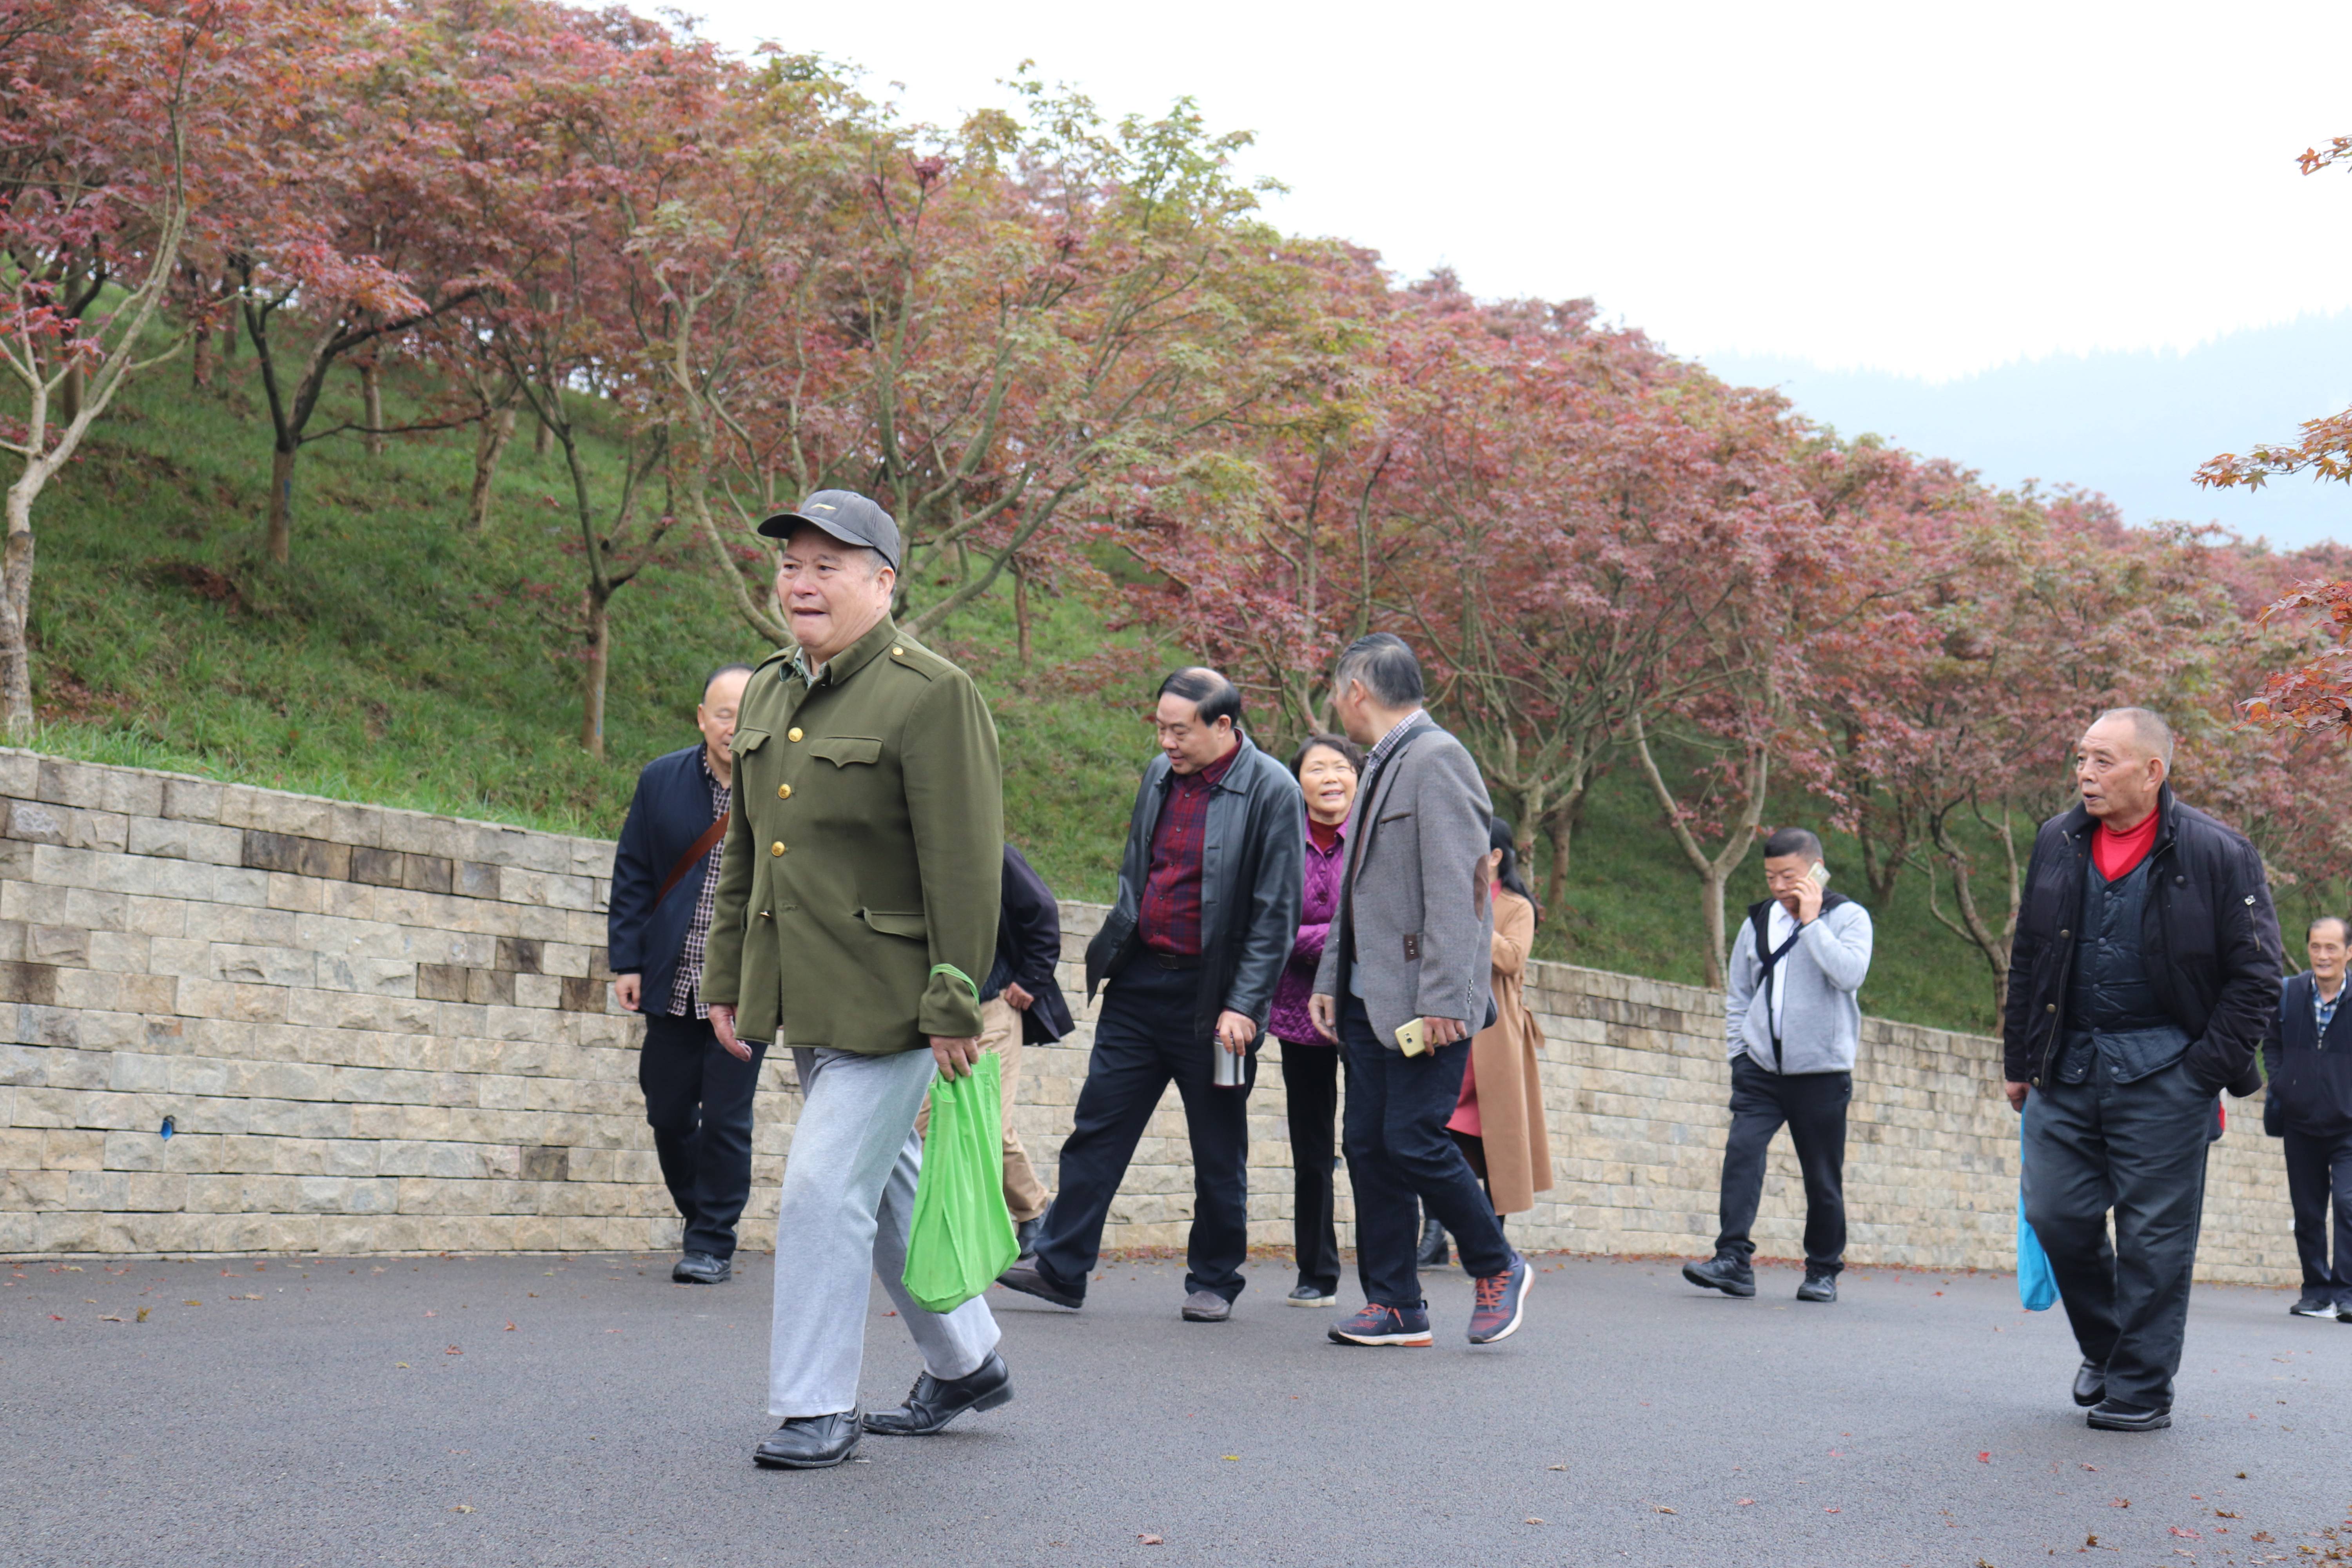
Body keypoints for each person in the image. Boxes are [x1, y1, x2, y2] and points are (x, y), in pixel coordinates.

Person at [699, 490, 1011, 1470]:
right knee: (885, 1191)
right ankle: (969, 1360)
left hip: (896, 1000)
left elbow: (964, 860)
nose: (801, 580)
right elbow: (746, 849)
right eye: (792, 563)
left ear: (883, 581)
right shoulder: (767, 692)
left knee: (824, 1184)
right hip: (805, 993)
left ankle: (815, 1402)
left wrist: (955, 997)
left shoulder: (931, 692)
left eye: (828, 564)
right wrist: (724, 976)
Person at [996, 668, 1303, 1323]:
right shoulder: (1159, 775)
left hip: (1214, 1000)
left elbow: (1276, 911)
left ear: (1223, 725)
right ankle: (1060, 1265)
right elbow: (1142, 868)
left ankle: (1215, 1280)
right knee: (1096, 1130)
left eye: (1179, 729)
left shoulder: (1273, 790)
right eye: (1160, 727)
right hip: (1140, 982)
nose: (1166, 741)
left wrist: (1245, 1005)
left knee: (1217, 1148)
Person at [2004, 707, 2280, 1433]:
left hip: (2167, 1072)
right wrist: (2020, 1059)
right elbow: (2030, 954)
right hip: (2067, 1064)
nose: (2084, 774)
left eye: (2103, 761)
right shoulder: (2057, 840)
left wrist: (2201, 1074)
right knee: (2055, 1216)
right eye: (2081, 759)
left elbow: (2256, 978)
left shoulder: (2220, 854)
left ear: (2152, 772)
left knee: (2156, 1241)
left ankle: (2141, 1390)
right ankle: (2108, 1349)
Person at [1310, 632, 1532, 1348]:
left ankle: (1497, 1265)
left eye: (1336, 692)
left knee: (1411, 1140)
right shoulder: (1382, 763)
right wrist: (1329, 980)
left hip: (1424, 1003)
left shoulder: (1437, 760)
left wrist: (1445, 998)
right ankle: (1396, 1304)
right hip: (1369, 999)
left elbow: (1461, 891)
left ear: (1356, 692)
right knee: (1369, 1147)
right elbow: (1360, 894)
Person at [606, 662, 760, 1286]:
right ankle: (703, 1214)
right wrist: (627, 959)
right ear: (702, 719)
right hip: (672, 977)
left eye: (747, 715)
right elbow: (634, 873)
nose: (734, 727)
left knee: (727, 1119)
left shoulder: (781, 792)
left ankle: (712, 1242)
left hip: (747, 986)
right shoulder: (661, 781)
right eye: (724, 714)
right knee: (667, 1112)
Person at [1682, 827, 1874, 1305]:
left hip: (1822, 1073)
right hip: (1761, 1070)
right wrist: (1739, 1054)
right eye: (1770, 876)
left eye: (1788, 875)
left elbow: (1850, 974)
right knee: (1742, 1153)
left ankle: (1823, 1269)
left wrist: (1812, 924)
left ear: (1816, 869)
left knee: (1821, 1176)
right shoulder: (1760, 920)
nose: (1779, 886)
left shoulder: (1850, 918)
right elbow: (1740, 994)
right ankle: (1733, 1260)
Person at [922, 843, 1073, 1259]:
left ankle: (1035, 1209)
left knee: (987, 1124)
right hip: (930, 1023)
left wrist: (1032, 977)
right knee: (917, 1127)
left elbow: (1042, 911)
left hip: (990, 1011)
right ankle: (941, 1232)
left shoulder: (990, 851)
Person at [1267, 733, 1362, 1307]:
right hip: (1298, 1013)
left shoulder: (1376, 839)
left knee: (1372, 1142)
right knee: (1311, 1149)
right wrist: (1339, 940)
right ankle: (1317, 1272)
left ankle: (1385, 1272)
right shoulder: (1282, 842)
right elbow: (1271, 925)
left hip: (1367, 1009)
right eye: (1316, 768)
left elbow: (1381, 920)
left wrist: (1315, 939)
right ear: (1296, 781)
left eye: (1341, 767)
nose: (1330, 777)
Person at [1443, 817, 1555, 1231]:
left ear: (1495, 856)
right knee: (1437, 1127)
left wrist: (1476, 914)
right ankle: (1434, 1230)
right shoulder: (1447, 895)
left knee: (1499, 1141)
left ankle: (1493, 1235)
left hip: (1497, 1040)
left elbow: (1510, 959)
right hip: (1449, 1029)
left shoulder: (1516, 907)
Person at [2261, 915, 2352, 1321]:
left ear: (2349, 952)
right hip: (2300, 1120)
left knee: (2348, 1204)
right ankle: (2316, 1291)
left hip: (2348, 1122)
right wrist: (2281, 1084)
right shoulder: (2288, 993)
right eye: (2316, 946)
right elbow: (2271, 1042)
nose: (2323, 955)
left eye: (2332, 947)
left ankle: (2347, 1294)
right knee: (2308, 1210)